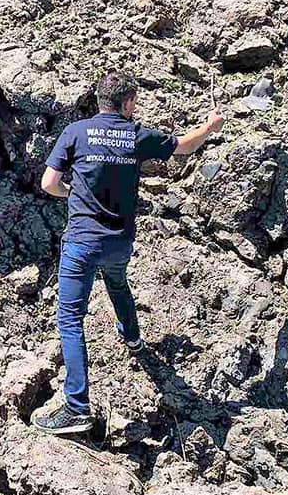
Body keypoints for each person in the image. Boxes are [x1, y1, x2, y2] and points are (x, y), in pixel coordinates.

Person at [34, 71, 225, 435]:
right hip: (119, 241)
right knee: (117, 283)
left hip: (82, 242)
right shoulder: (134, 135)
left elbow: (49, 183)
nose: (135, 109)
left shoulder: (76, 132)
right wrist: (211, 126)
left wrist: (72, 194)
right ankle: (133, 338)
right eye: (134, 102)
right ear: (125, 104)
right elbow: (183, 146)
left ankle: (77, 407)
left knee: (71, 318)